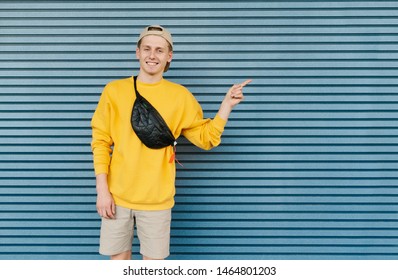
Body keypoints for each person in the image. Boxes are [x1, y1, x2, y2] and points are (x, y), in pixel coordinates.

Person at [91, 25, 251, 260]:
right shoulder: (114, 91)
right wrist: (102, 191)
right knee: (118, 263)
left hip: (157, 200)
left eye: (159, 50)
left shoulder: (180, 96)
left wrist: (226, 106)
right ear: (137, 52)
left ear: (169, 56)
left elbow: (206, 139)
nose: (152, 55)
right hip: (116, 197)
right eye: (146, 49)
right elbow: (101, 142)